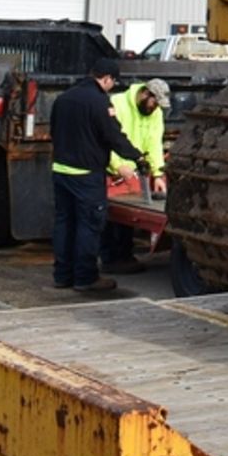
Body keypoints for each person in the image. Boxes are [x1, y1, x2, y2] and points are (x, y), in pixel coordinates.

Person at [51, 55, 149, 293]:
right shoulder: (99, 103)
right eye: (112, 82)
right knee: (89, 226)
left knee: (65, 224)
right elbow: (113, 136)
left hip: (60, 171)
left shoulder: (63, 99)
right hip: (87, 176)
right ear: (106, 79)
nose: (112, 87)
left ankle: (62, 275)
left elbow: (54, 130)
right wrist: (137, 157)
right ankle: (85, 277)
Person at [100, 77, 170, 275]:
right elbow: (108, 138)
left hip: (132, 172)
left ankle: (123, 256)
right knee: (110, 216)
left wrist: (158, 174)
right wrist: (117, 165)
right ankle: (110, 258)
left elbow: (154, 143)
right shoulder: (118, 104)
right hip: (113, 171)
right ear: (145, 94)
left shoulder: (154, 113)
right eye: (154, 102)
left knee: (129, 216)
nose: (155, 108)